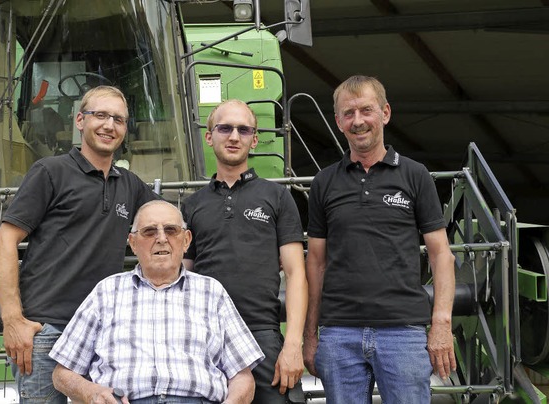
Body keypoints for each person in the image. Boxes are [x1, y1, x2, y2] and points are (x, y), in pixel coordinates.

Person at [0, 85, 158, 403]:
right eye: (101, 115)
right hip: (46, 332)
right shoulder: (50, 172)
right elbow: (3, 243)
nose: (109, 125)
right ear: (80, 120)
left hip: (103, 334)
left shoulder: (131, 185)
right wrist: (13, 320)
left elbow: (171, 223)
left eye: (119, 119)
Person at [302, 75, 457, 403]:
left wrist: (441, 324)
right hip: (339, 333)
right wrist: (310, 334)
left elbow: (441, 255)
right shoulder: (323, 183)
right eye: (348, 113)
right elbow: (315, 262)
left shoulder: (415, 175)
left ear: (385, 113)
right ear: (338, 122)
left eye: (366, 110)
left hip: (402, 332)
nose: (358, 121)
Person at [49, 200, 264, 404]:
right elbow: (62, 373)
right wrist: (93, 393)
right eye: (150, 231)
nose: (161, 238)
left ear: (187, 240)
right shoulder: (106, 292)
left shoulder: (212, 292)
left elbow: (243, 377)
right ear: (132, 243)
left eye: (171, 230)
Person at [181, 99, 308, 403]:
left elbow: (295, 273)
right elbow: (180, 276)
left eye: (243, 129)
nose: (234, 136)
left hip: (262, 335)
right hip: (206, 339)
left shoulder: (277, 197)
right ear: (209, 137)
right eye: (225, 128)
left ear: (255, 139)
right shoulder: (192, 204)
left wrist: (292, 345)